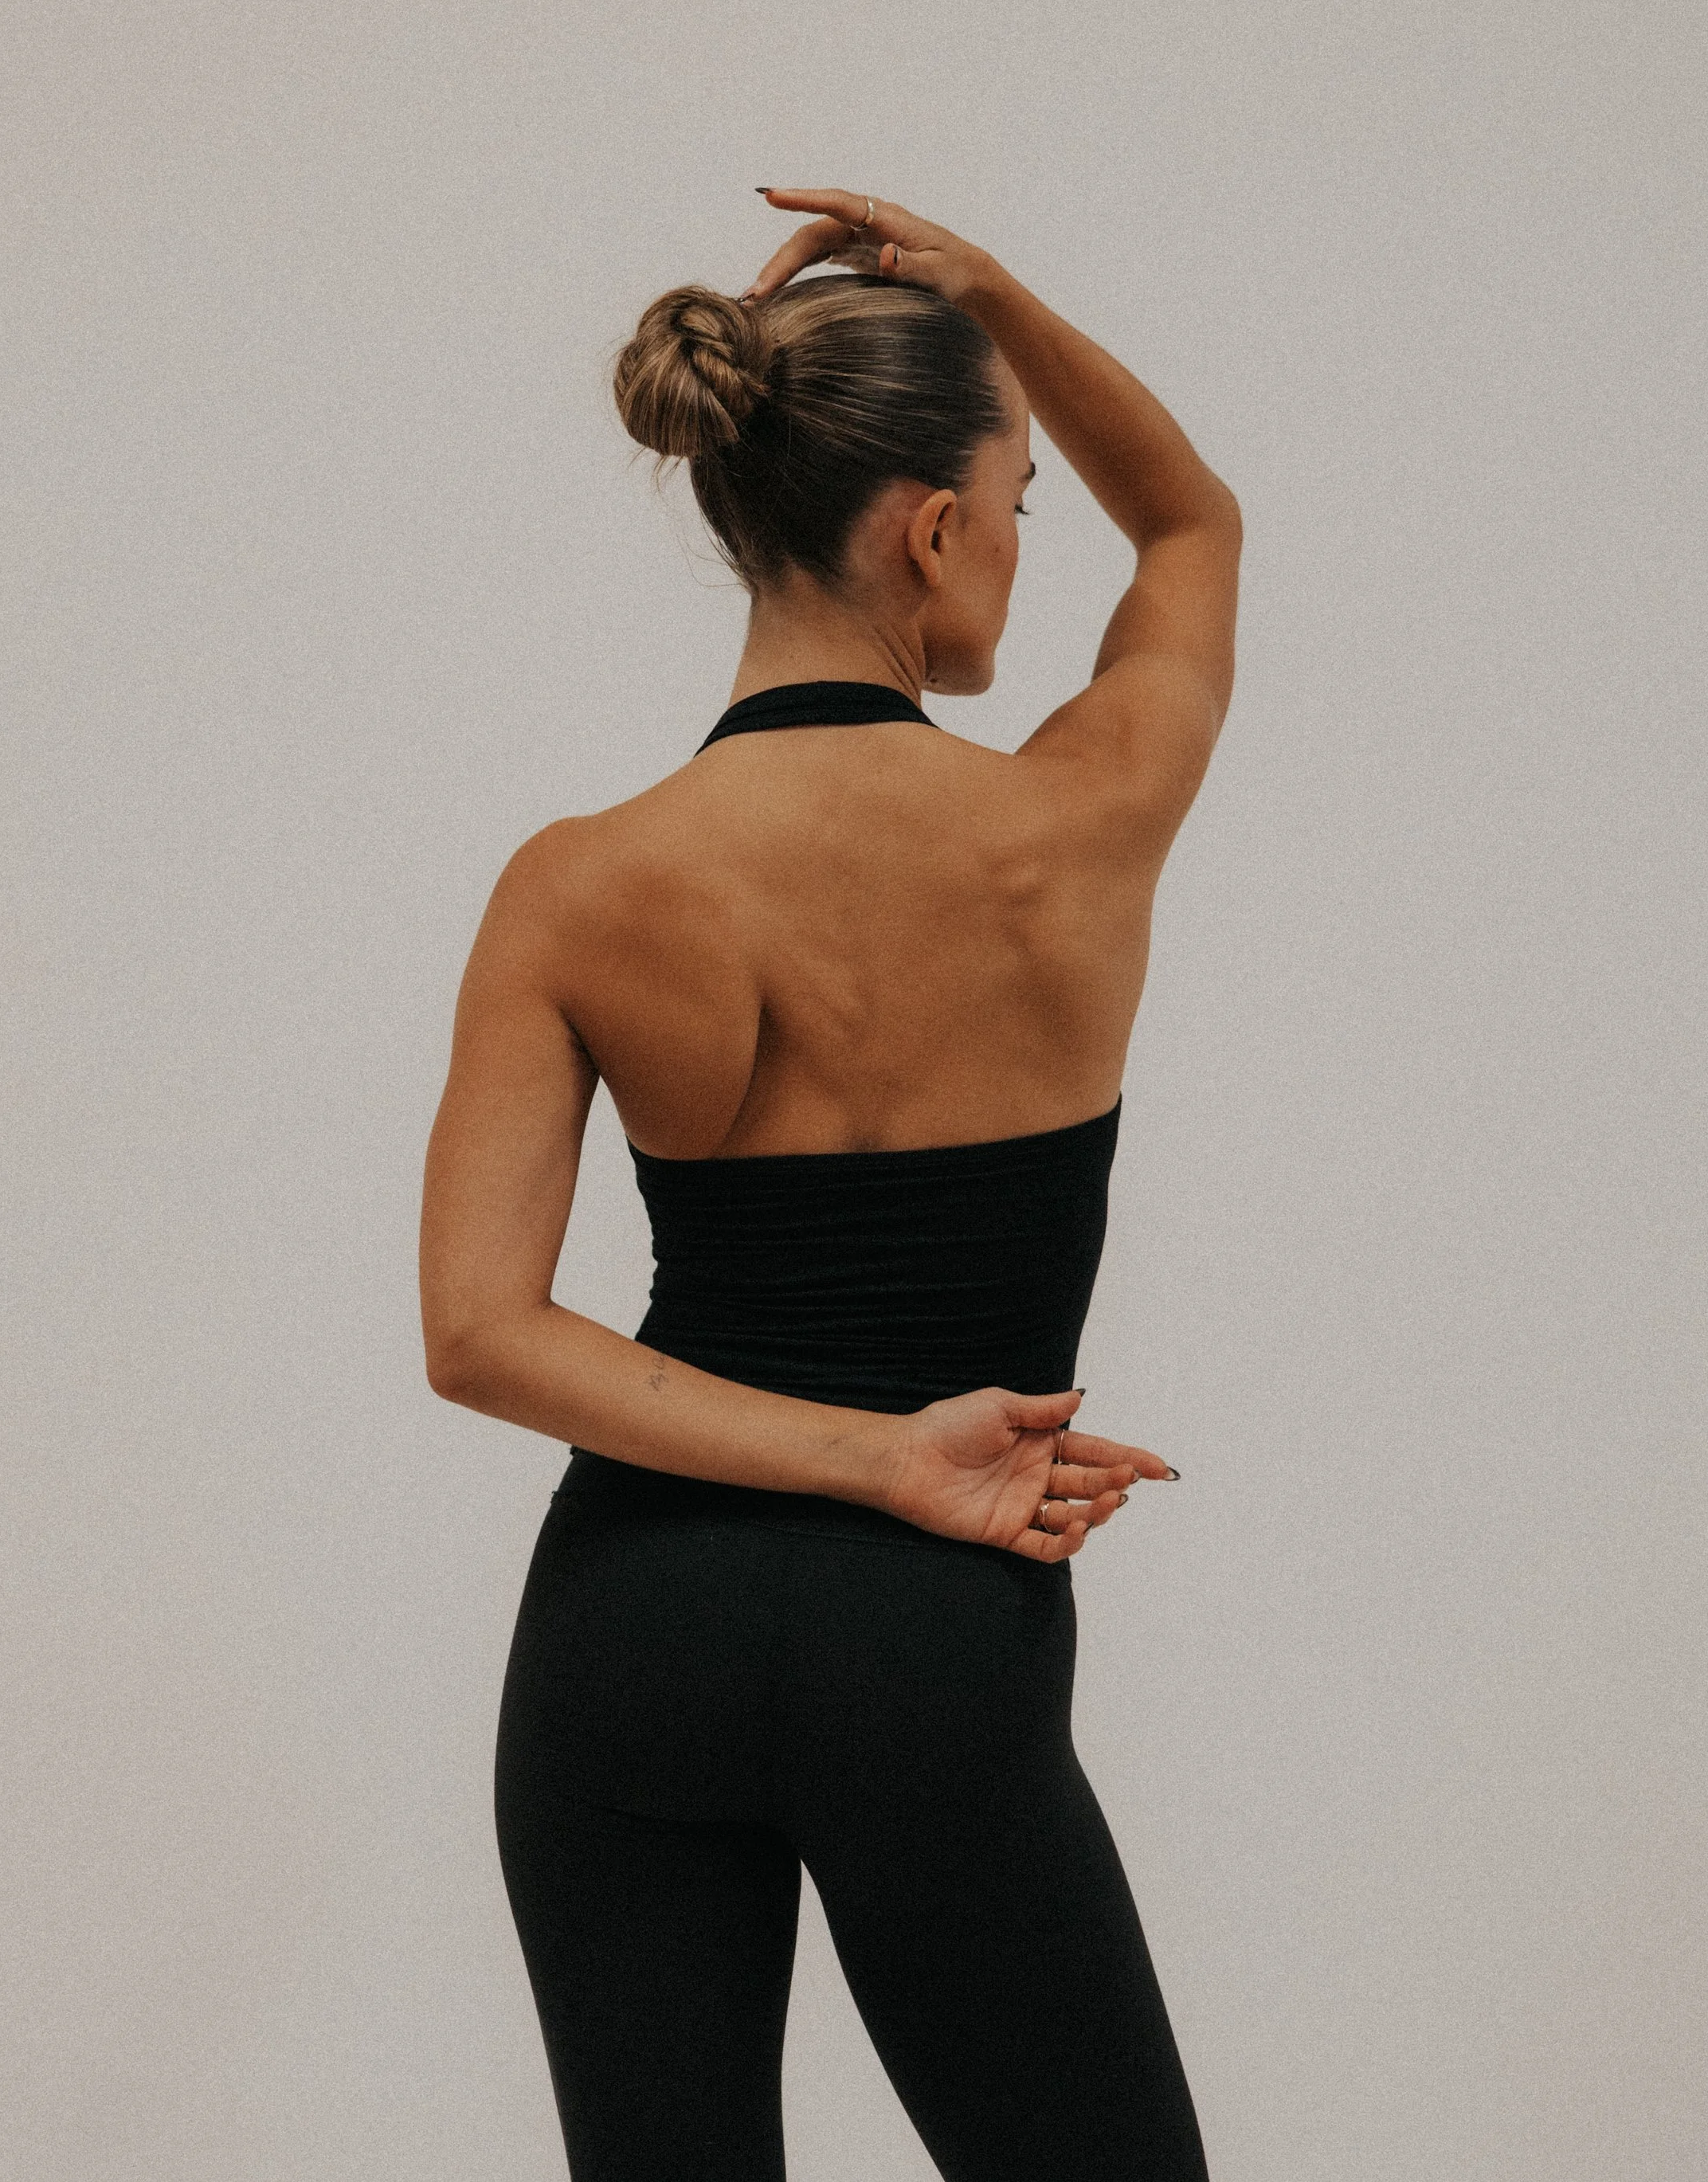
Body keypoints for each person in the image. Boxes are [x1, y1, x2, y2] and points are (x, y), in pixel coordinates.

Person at [420, 186, 1242, 2181]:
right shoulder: (1075, 821)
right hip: (926, 1646)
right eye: (1015, 505)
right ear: (929, 526)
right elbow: (1197, 525)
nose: (1028, 553)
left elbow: (477, 1332)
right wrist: (995, 293)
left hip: (626, 1628)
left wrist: (849, 1450)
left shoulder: (578, 881)